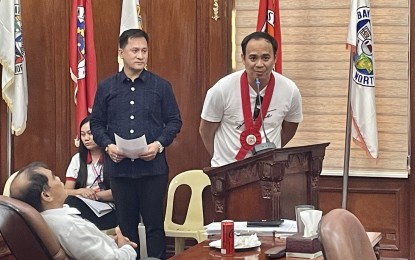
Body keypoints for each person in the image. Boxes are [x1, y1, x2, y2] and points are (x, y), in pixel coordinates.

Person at [90, 28, 182, 260]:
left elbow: (174, 121)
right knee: (126, 227)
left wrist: (159, 145)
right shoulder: (107, 87)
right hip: (119, 170)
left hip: (153, 169)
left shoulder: (161, 86)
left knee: (154, 227)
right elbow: (97, 123)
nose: (140, 56)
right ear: (121, 53)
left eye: (144, 51)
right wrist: (108, 146)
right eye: (134, 51)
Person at [199, 31, 303, 167]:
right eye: (253, 58)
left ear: (275, 58)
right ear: (243, 58)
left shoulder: (290, 90)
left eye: (266, 58)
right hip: (227, 170)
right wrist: (220, 158)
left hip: (268, 171)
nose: (259, 64)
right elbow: (206, 130)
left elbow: (289, 129)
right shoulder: (221, 89)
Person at [9, 162, 137, 260]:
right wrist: (126, 247)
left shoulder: (45, 220)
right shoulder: (69, 227)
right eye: (54, 177)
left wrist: (108, 240)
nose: (59, 179)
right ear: (46, 195)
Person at [64, 115, 117, 230]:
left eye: (90, 133)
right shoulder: (77, 159)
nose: (86, 138)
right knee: (69, 203)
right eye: (83, 135)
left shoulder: (114, 157)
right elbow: (66, 191)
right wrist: (81, 192)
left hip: (111, 210)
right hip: (84, 206)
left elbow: (120, 192)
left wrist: (94, 195)